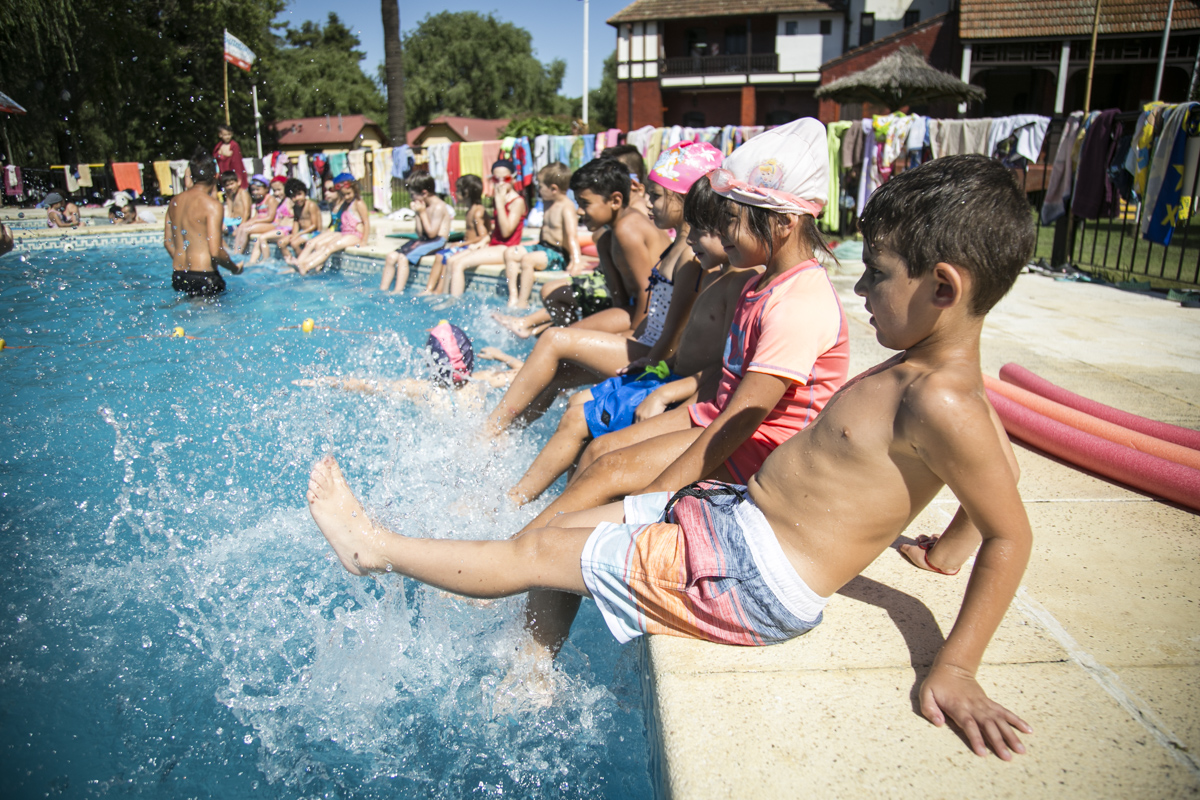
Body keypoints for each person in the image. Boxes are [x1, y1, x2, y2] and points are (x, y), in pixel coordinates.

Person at [307, 153, 1039, 761]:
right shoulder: (925, 375)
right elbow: (1004, 472)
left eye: (877, 272)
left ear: (943, 286)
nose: (864, 288)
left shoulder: (941, 401)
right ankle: (532, 670)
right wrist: (944, 552)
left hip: (747, 578)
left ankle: (377, 550)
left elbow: (1010, 531)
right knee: (562, 524)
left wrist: (956, 666)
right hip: (734, 525)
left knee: (535, 551)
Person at [506, 179, 760, 506]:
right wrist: (656, 365)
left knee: (578, 421)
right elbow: (683, 342)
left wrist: (667, 392)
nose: (690, 239)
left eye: (701, 231)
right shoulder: (709, 272)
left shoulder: (738, 282)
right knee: (576, 408)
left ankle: (531, 505)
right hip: (668, 374)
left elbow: (724, 366)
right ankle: (549, 504)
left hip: (682, 389)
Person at [482, 145, 720, 439]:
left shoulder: (689, 255)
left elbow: (668, 328)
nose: (646, 203)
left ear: (685, 197)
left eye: (656, 196)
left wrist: (645, 362)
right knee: (559, 371)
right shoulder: (674, 247)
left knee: (554, 338)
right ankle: (504, 436)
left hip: (652, 354)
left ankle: (489, 430)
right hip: (646, 344)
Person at [491, 157, 667, 338]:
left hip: (658, 315)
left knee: (560, 339)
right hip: (634, 309)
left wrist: (635, 337)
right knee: (562, 337)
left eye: (585, 204)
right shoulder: (607, 240)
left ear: (615, 201)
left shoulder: (627, 229)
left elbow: (649, 289)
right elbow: (618, 299)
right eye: (578, 203)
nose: (579, 211)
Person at [294, 323, 524, 412]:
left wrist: (325, 381)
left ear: (430, 361)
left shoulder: (418, 389)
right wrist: (501, 356)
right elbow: (525, 372)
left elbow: (366, 385)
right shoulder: (483, 381)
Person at [501, 162, 581, 308]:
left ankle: (523, 302)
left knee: (527, 260)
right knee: (510, 253)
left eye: (541, 186)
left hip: (557, 254)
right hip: (542, 247)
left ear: (553, 189)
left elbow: (572, 236)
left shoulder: (567, 207)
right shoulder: (548, 202)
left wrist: (576, 261)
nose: (538, 189)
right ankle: (513, 296)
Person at [163, 153, 243, 296]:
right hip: (204, 276)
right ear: (216, 175)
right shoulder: (212, 205)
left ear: (191, 175)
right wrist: (234, 268)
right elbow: (215, 251)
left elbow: (168, 242)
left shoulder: (174, 201)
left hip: (179, 274)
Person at [444, 160, 527, 297]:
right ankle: (443, 296)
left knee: (459, 264)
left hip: (506, 248)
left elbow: (506, 232)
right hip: (494, 245)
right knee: (451, 260)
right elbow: (497, 229)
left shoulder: (517, 202)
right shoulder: (499, 197)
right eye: (496, 179)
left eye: (505, 179)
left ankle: (454, 302)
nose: (500, 183)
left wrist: (500, 204)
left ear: (513, 178)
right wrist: (483, 242)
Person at [381, 172, 452, 294]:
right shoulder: (423, 206)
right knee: (391, 256)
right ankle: (382, 291)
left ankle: (397, 292)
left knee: (403, 258)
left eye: (412, 195)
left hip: (437, 240)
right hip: (424, 240)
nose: (411, 198)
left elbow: (432, 234)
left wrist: (422, 213)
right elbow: (419, 233)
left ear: (424, 193)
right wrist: (418, 213)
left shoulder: (438, 206)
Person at [420, 175, 491, 296]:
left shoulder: (477, 212)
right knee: (439, 255)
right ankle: (429, 289)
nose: (455, 193)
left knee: (446, 257)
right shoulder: (470, 210)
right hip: (466, 245)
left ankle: (439, 291)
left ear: (466, 193)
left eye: (458, 190)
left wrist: (462, 243)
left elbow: (483, 236)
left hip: (472, 247)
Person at [294, 177, 369, 275]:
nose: (346, 197)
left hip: (355, 234)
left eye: (348, 194)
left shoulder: (358, 203)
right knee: (326, 246)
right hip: (345, 233)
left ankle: (307, 266)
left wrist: (364, 240)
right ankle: (303, 263)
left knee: (331, 247)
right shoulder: (346, 204)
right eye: (343, 195)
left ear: (355, 190)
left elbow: (366, 222)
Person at [246, 177, 295, 266]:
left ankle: (266, 260)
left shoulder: (289, 201)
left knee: (263, 237)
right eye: (274, 191)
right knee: (258, 240)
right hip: (280, 229)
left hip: (286, 230)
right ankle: (252, 262)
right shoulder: (280, 202)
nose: (276, 193)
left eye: (279, 190)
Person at [279, 180, 322, 264]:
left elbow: (314, 226)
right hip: (303, 233)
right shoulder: (296, 207)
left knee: (294, 243)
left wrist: (298, 234)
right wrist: (294, 234)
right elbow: (296, 221)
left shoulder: (310, 205)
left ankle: (302, 263)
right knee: (281, 243)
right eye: (293, 196)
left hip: (314, 233)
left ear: (305, 193)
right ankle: (290, 261)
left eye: (299, 194)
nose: (297, 198)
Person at [233, 175, 276, 254]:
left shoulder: (270, 199)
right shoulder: (259, 201)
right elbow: (256, 216)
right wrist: (247, 222)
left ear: (266, 189)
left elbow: (270, 218)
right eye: (253, 190)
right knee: (241, 227)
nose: (255, 192)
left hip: (272, 224)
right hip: (261, 223)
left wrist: (254, 222)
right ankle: (235, 251)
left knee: (246, 230)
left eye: (258, 189)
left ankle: (239, 252)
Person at [213, 124, 248, 189]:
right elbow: (215, 158)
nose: (227, 137)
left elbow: (237, 164)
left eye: (229, 134)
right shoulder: (218, 146)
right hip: (222, 175)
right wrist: (221, 155)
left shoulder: (234, 146)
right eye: (225, 135)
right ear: (220, 135)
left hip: (232, 174)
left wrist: (238, 177)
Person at [220, 171, 251, 237]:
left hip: (240, 222)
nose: (230, 187)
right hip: (233, 221)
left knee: (221, 228)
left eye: (232, 184)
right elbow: (230, 213)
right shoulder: (229, 194)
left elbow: (247, 212)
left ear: (238, 182)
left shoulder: (243, 193)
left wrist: (241, 227)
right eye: (227, 185)